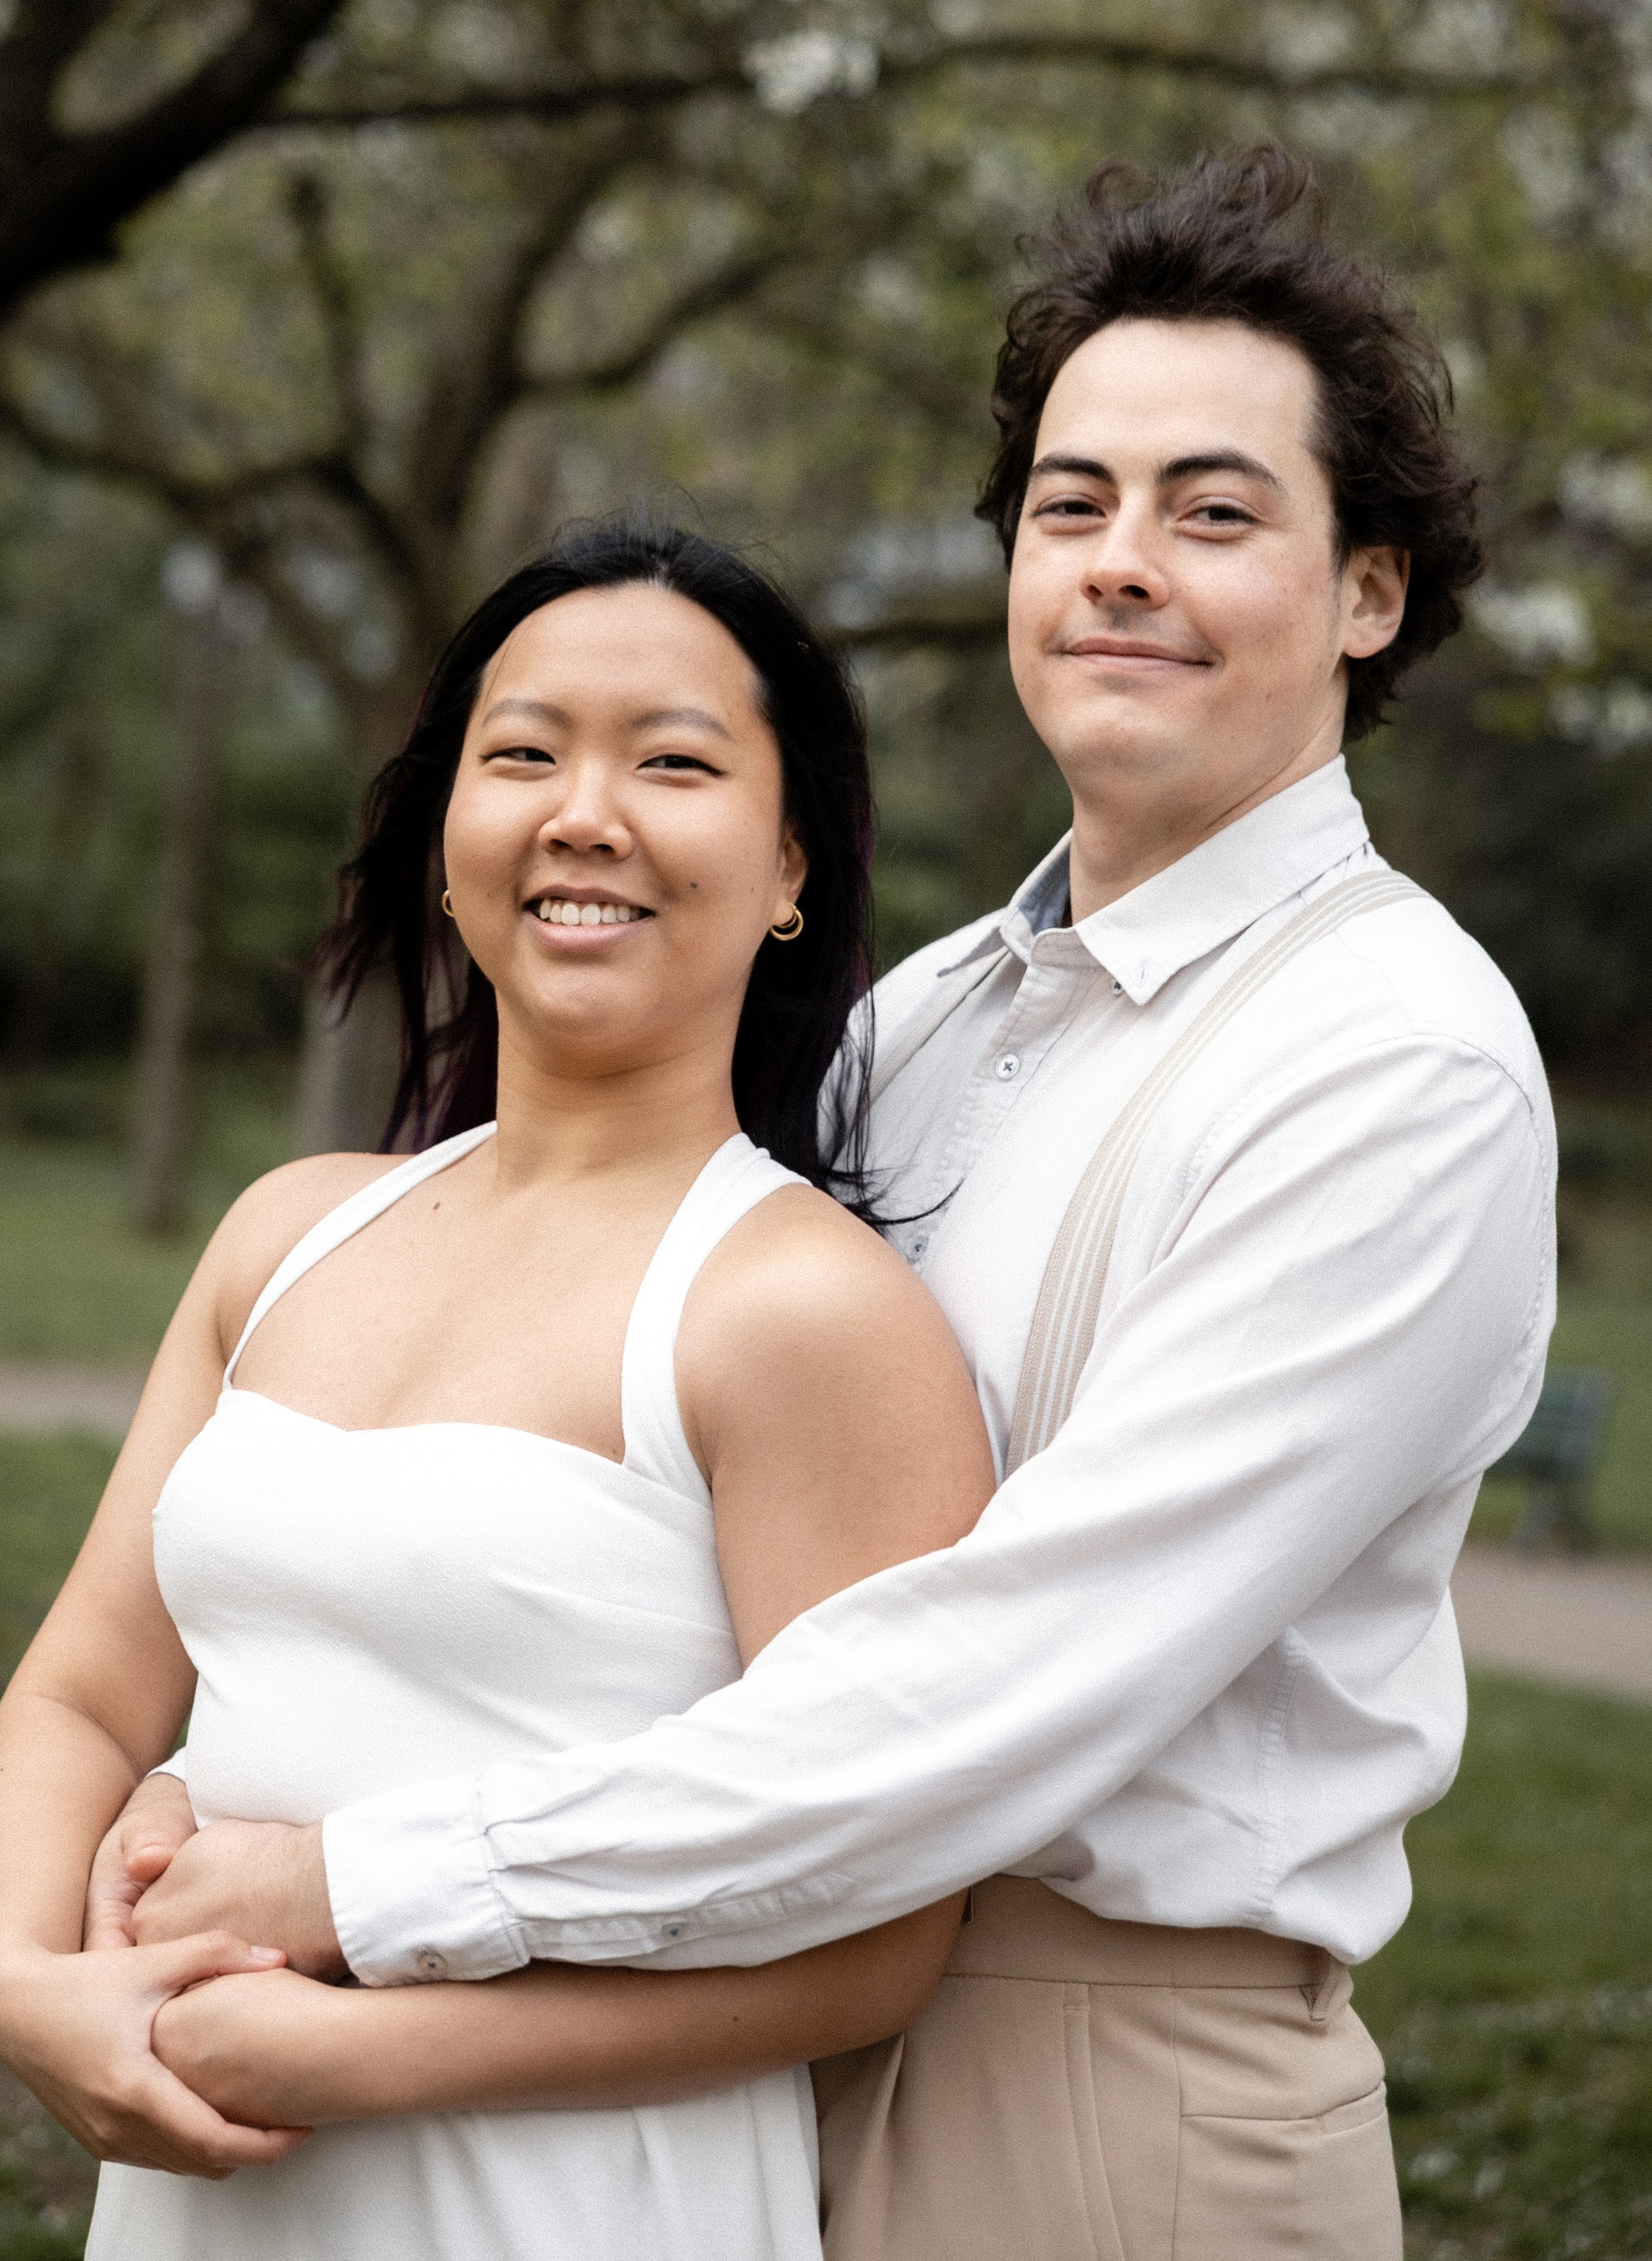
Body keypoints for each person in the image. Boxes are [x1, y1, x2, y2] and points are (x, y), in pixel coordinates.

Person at [98, 144, 1556, 2259]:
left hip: (1100, 2090)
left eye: (1214, 512)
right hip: (706, 2045)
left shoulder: (1388, 1065)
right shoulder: (927, 1019)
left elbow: (995, 1680)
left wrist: (361, 1883)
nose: (1122, 563)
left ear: (1370, 592)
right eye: (1073, 506)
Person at [0, 525, 996, 2258]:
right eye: (520, 752)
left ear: (788, 860)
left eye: (672, 762)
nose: (582, 812)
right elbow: (80, 1696)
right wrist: (21, 1982)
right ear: (447, 841)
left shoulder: (806, 1313)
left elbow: (878, 1940)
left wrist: (361, 2048)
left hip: (567, 2205)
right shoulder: (283, 1233)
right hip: (194, 2188)